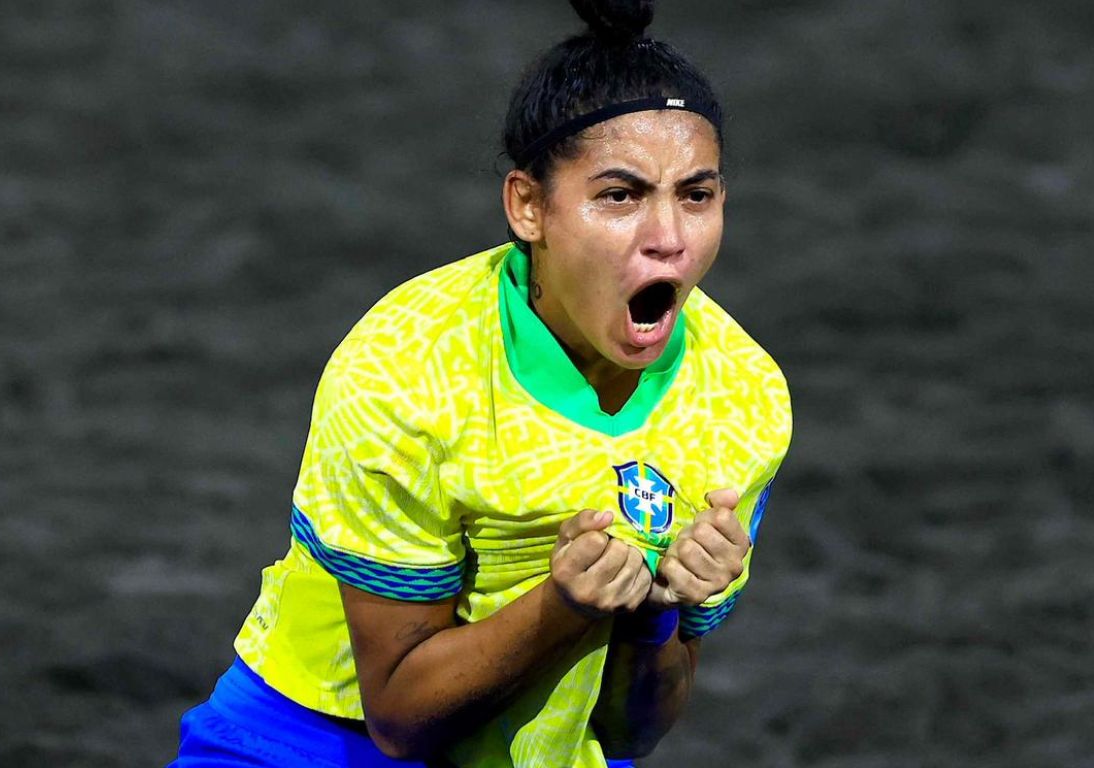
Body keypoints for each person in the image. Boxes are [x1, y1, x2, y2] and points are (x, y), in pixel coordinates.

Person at [170, 1, 792, 766]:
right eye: (620, 195)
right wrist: (565, 606)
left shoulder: (742, 399)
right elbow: (401, 722)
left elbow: (633, 732)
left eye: (696, 195)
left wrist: (656, 612)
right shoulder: (408, 369)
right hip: (309, 743)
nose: (667, 239)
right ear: (528, 207)